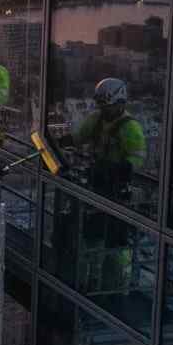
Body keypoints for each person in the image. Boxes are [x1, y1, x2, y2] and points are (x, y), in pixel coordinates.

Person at [59, 77, 146, 291]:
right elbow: (80, 137)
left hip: (116, 189)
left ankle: (116, 286)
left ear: (120, 103)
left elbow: (138, 158)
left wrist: (121, 168)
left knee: (116, 243)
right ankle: (92, 281)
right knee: (92, 236)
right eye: (103, 106)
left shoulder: (130, 128)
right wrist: (64, 141)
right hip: (98, 184)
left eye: (108, 106)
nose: (105, 110)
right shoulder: (97, 119)